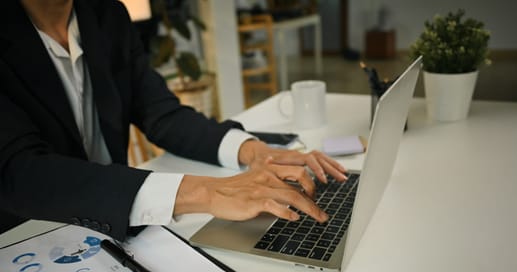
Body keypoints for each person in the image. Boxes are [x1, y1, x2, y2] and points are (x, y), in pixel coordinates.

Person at [0, 0, 347, 241]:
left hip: (119, 230)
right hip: (27, 237)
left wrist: (252, 151)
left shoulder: (106, 15)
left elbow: (161, 113)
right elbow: (19, 171)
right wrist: (205, 191)